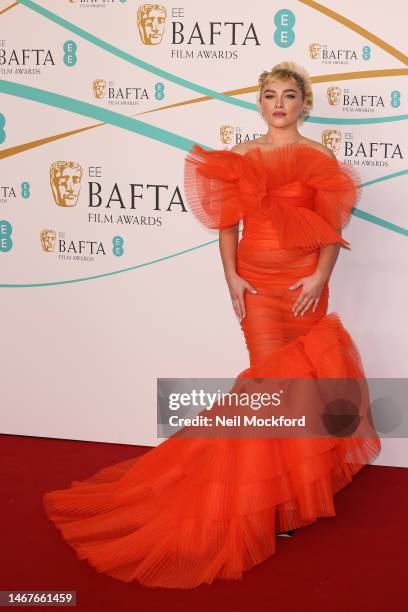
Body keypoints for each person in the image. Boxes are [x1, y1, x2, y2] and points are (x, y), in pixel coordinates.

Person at [43, 61, 381, 589]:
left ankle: (287, 500)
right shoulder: (238, 158)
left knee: (303, 392)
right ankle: (258, 500)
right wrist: (232, 279)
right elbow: (227, 226)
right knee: (268, 389)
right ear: (259, 102)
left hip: (304, 286)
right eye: (269, 95)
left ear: (304, 105)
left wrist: (318, 278)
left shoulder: (321, 157)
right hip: (260, 285)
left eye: (289, 95)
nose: (279, 104)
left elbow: (330, 230)